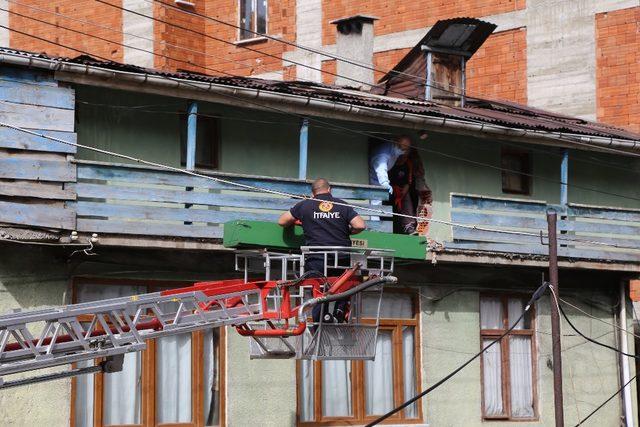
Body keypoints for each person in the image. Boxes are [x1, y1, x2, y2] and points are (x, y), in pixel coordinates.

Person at [278, 178, 366, 323]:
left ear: (313, 193)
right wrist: (347, 231)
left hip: (317, 258)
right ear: (329, 190)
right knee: (343, 285)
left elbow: (282, 221)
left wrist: (302, 220)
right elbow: (360, 225)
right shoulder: (341, 205)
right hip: (340, 257)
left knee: (318, 292)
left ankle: (320, 322)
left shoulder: (305, 206)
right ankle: (339, 312)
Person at [369, 135, 432, 234]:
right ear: (395, 144)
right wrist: (385, 183)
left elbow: (408, 181)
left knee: (405, 199)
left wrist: (404, 189)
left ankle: (409, 226)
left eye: (406, 151)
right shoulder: (383, 154)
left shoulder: (400, 156)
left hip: (397, 190)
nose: (403, 153)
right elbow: (382, 169)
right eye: (402, 149)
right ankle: (375, 228)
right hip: (378, 180)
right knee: (375, 202)